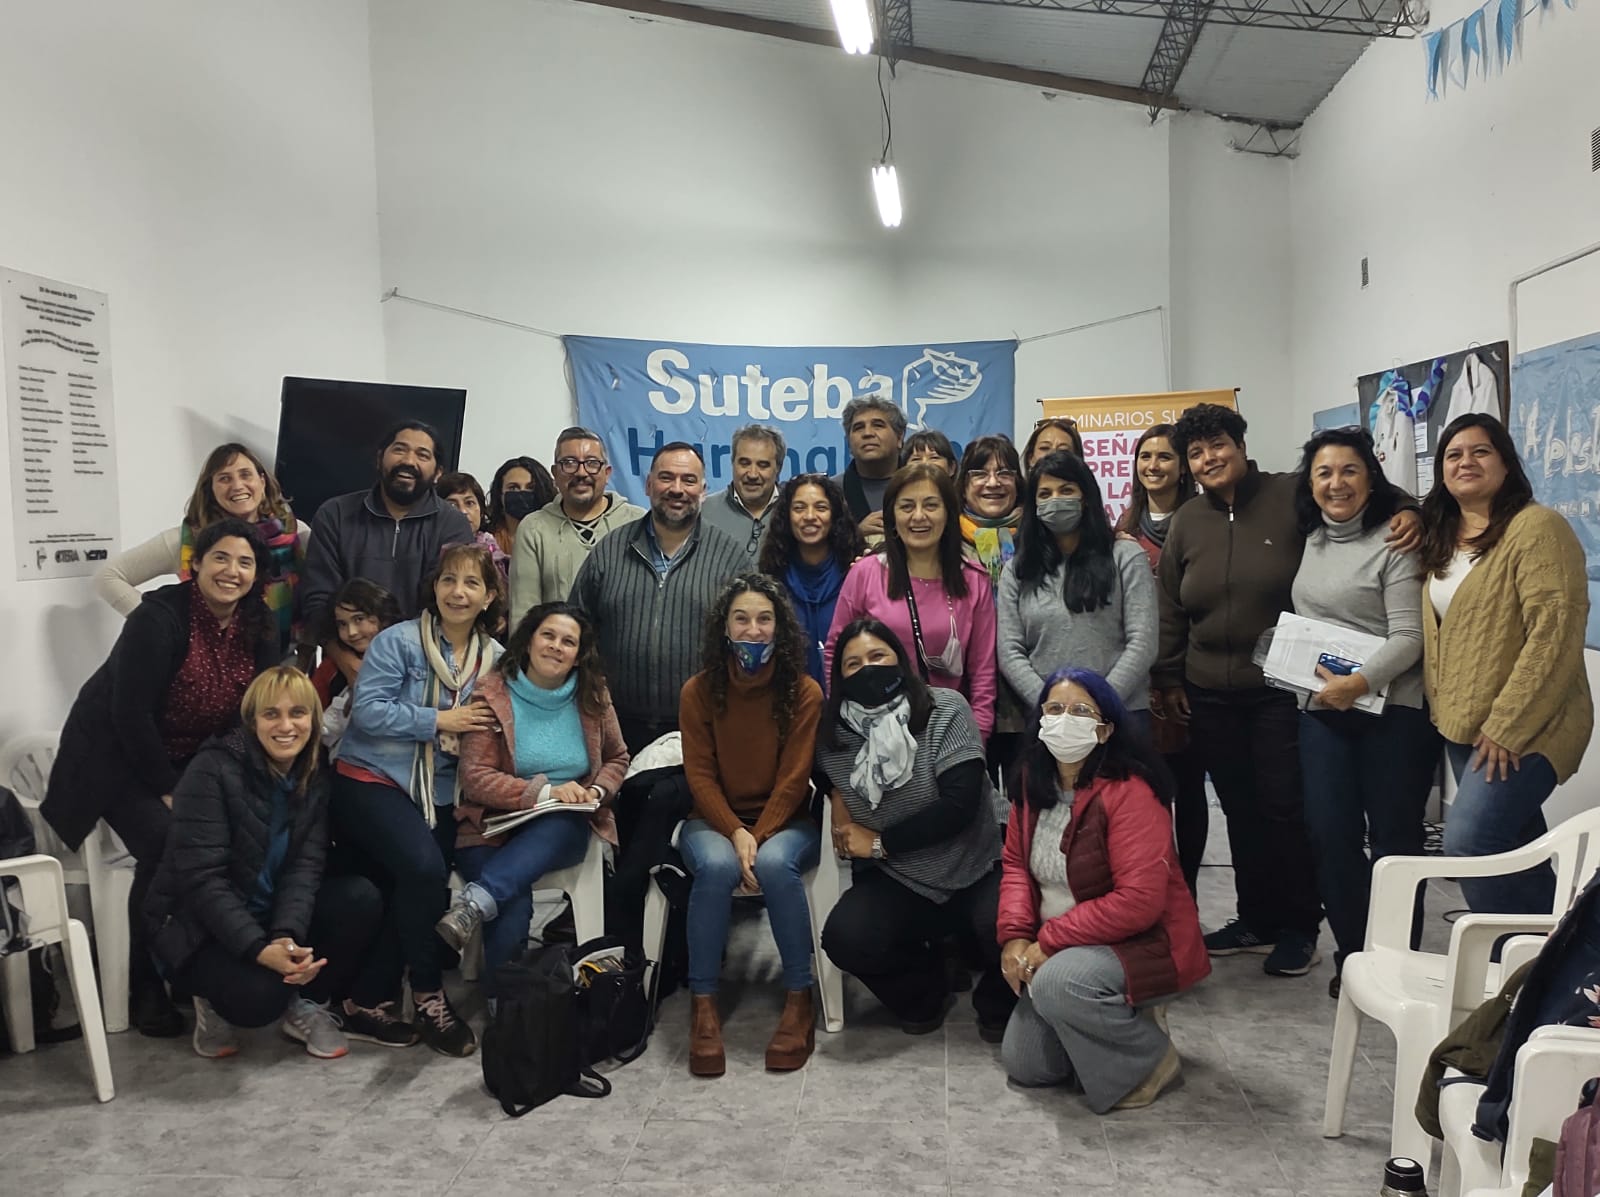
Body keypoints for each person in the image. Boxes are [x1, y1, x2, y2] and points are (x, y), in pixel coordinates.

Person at [1154, 403, 1420, 977]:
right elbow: (1170, 607)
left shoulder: (1288, 495)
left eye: (1218, 445)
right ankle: (1256, 918)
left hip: (1281, 689)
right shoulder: (1187, 521)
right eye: (1196, 453)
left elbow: (1355, 493)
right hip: (1208, 689)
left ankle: (1300, 925)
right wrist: (1170, 677)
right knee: (1240, 810)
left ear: (1241, 445)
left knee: (1286, 810)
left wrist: (1410, 512)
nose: (1209, 458)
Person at [43, 518, 280, 1037]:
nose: (232, 571)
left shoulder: (260, 625)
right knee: (170, 842)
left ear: (257, 574)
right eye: (221, 558)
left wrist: (229, 779)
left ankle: (195, 964)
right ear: (197, 563)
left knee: (244, 831)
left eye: (245, 562)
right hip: (117, 758)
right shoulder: (159, 617)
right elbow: (129, 715)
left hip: (195, 757)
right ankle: (146, 981)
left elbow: (256, 712)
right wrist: (170, 790)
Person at [143, 668, 395, 1060]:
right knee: (259, 1000)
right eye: (271, 714)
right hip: (195, 927)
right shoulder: (211, 769)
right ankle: (208, 998)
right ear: (252, 720)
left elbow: (305, 868)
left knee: (359, 898)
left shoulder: (311, 771)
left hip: (264, 913)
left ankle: (305, 1004)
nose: (286, 726)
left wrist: (285, 938)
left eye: (298, 713)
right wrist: (259, 950)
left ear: (313, 719)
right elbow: (202, 880)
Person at [997, 667, 1209, 1112]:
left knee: (1057, 983)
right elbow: (1016, 865)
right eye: (1055, 709)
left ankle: (1152, 1059)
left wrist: (1048, 942)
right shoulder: (1032, 783)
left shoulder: (1132, 790)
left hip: (1141, 941)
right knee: (1027, 1065)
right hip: (1066, 942)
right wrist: (1015, 936)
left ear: (1106, 729)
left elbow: (1138, 902)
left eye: (1080, 711)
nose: (1064, 719)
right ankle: (1106, 1025)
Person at [331, 543, 504, 1056]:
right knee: (426, 870)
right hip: (371, 777)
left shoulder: (494, 658)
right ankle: (429, 995)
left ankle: (364, 1000)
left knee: (419, 885)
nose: (458, 592)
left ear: (489, 597)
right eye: (449, 580)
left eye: (471, 583)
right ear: (434, 587)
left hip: (442, 790)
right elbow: (368, 712)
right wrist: (440, 720)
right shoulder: (399, 640)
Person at [1420, 414, 1592, 914]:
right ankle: (1555, 948)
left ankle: (1517, 951)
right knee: (1515, 849)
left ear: (1506, 463)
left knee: (1470, 843)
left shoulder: (1537, 527)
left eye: (1481, 451)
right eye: (1454, 455)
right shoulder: (1442, 534)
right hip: (1463, 724)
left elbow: (1554, 634)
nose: (1466, 462)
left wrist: (1507, 726)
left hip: (1529, 725)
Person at [1291, 427, 1437, 996]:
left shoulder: (1396, 540)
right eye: (1324, 472)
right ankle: (1354, 958)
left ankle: (1397, 963)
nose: (1337, 483)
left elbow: (1409, 637)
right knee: (1331, 837)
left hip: (1393, 714)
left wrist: (1358, 684)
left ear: (1371, 478)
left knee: (1395, 842)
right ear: (1310, 483)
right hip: (1324, 713)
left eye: (1349, 470)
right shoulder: (1310, 536)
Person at [817, 619, 1010, 1036]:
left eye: (878, 656)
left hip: (977, 863)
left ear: (900, 660)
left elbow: (958, 807)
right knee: (846, 938)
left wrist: (879, 843)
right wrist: (835, 796)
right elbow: (816, 775)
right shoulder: (832, 736)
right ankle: (927, 990)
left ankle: (996, 1001)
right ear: (839, 677)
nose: (868, 669)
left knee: (1009, 925)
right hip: (903, 879)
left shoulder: (946, 708)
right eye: (853, 664)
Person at [440, 603, 629, 992]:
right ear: (528, 641)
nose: (556, 646)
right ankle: (505, 1004)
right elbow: (475, 778)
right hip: (491, 824)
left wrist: (595, 790)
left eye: (568, 642)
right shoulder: (492, 693)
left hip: (562, 824)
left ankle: (473, 904)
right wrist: (544, 791)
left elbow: (617, 758)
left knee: (562, 821)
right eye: (548, 635)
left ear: (579, 655)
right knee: (512, 906)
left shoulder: (593, 695)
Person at [678, 574, 824, 1076]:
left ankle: (799, 998)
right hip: (713, 821)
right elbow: (699, 777)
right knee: (717, 867)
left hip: (785, 823)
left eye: (764, 619)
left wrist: (756, 836)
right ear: (724, 627)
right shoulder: (697, 692)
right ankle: (703, 1004)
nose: (753, 629)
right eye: (741, 618)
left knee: (776, 864)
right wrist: (736, 833)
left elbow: (794, 781)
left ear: (779, 628)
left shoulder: (804, 692)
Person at [569, 442, 747, 753]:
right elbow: (576, 628)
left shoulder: (730, 557)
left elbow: (748, 641)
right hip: (614, 727)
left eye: (688, 480)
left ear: (703, 491)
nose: (677, 489)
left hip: (702, 727)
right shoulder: (610, 551)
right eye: (666, 478)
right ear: (649, 485)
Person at [825, 464, 998, 737]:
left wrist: (977, 741)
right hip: (871, 732)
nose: (918, 516)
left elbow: (983, 677)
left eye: (931, 505)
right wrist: (844, 726)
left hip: (949, 733)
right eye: (907, 506)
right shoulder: (865, 573)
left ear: (948, 513)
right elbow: (835, 653)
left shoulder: (974, 580)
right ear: (892, 516)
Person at [95, 442, 305, 657]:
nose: (237, 485)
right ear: (210, 489)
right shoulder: (187, 540)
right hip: (204, 666)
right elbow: (108, 577)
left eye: (245, 475)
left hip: (280, 666)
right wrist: (159, 624)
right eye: (224, 478)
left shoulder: (295, 533)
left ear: (261, 481)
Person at [997, 450, 1158, 723]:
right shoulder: (1017, 570)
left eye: (1066, 490)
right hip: (1048, 719)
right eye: (1045, 494)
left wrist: (1097, 705)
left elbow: (1143, 642)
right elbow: (1010, 651)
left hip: (1121, 714)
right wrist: (1053, 706)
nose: (1055, 499)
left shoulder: (1126, 556)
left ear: (1085, 498)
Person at [1115, 425, 1207, 895]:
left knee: (1187, 788)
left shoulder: (1201, 521)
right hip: (1137, 679)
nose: (1153, 465)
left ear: (1183, 467)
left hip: (1187, 674)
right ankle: (1150, 889)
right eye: (1145, 456)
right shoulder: (1124, 526)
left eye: (1165, 456)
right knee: (1144, 791)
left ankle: (1186, 892)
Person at [298, 421, 474, 663]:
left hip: (423, 663)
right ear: (380, 458)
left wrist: (393, 669)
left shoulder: (453, 525)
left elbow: (446, 606)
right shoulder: (335, 515)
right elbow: (318, 600)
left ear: (438, 473)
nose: (409, 461)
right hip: (345, 663)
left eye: (422, 455)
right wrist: (348, 663)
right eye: (400, 449)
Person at [509, 426, 645, 629]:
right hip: (558, 647)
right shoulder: (534, 529)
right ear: (555, 473)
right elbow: (523, 613)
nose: (581, 472)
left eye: (592, 463)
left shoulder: (637, 523)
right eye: (569, 463)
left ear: (607, 473)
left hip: (622, 646)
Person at [956, 435, 1028, 780]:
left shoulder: (1039, 538)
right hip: (965, 700)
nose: (993, 483)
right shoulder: (942, 541)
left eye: (1004, 473)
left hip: (1028, 702)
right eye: (979, 473)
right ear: (963, 484)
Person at [759, 474, 867, 686]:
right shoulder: (772, 579)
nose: (809, 516)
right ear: (787, 516)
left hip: (851, 695)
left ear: (834, 515)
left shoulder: (857, 573)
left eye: (821, 507)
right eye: (799, 508)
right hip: (792, 696)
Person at [310, 579, 403, 751]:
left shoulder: (409, 661)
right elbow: (311, 715)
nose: (351, 632)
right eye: (342, 624)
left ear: (384, 618)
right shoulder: (331, 668)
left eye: (359, 619)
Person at [700, 424, 785, 564]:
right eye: (744, 463)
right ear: (732, 463)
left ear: (778, 468)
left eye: (763, 465)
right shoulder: (703, 512)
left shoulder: (794, 514)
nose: (752, 474)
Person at [832, 396, 906, 542]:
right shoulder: (831, 492)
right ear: (849, 443)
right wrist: (856, 535)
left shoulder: (923, 485)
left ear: (899, 438)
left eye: (878, 425)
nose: (867, 433)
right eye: (858, 427)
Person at [485, 456, 556, 562]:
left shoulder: (557, 539)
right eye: (513, 488)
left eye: (530, 488)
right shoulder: (484, 541)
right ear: (500, 494)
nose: (522, 493)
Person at [437, 470, 508, 575]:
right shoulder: (430, 546)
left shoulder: (493, 550)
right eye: (452, 505)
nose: (463, 511)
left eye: (469, 503)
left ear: (481, 511)